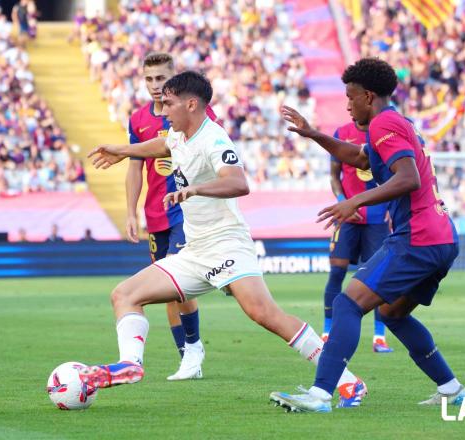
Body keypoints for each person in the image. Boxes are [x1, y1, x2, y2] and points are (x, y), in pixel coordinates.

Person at [82, 71, 367, 408]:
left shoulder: (214, 139)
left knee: (265, 314)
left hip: (226, 244)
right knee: (125, 294)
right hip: (195, 250)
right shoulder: (178, 134)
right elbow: (160, 145)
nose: (163, 110)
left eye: (169, 103)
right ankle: (130, 364)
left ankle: (349, 382)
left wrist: (196, 188)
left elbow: (238, 182)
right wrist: (123, 150)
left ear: (191, 104)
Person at [270, 58, 465, 413]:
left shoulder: (383, 124)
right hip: (441, 237)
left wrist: (355, 200)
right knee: (393, 315)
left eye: (351, 97)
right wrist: (313, 133)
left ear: (368, 95)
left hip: (417, 237)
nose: (347, 105)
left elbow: (409, 178)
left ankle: (320, 396)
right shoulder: (398, 122)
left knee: (348, 304)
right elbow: (360, 159)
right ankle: (452, 389)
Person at [126, 52, 217, 380]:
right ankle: (187, 356)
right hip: (155, 214)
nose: (154, 85)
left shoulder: (192, 111)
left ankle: (192, 350)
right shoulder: (138, 119)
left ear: (172, 78)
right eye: (149, 79)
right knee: (167, 287)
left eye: (161, 79)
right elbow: (135, 168)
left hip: (186, 211)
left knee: (180, 285)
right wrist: (131, 211)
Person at [325, 121, 393, 353]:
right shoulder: (341, 132)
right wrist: (343, 203)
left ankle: (379, 337)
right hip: (347, 215)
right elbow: (334, 176)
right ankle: (327, 332)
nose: (351, 106)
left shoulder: (384, 132)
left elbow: (394, 176)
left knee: (378, 277)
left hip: (376, 217)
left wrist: (390, 210)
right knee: (337, 271)